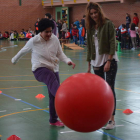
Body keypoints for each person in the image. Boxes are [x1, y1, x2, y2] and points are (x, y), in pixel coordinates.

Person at [11, 18, 75, 127]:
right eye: (46, 32)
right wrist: (14, 60)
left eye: (51, 31)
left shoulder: (54, 39)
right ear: (41, 31)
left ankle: (53, 120)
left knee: (52, 96)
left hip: (54, 68)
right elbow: (23, 51)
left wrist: (68, 60)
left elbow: (60, 54)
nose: (49, 34)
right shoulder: (34, 41)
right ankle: (64, 100)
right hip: (39, 69)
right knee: (51, 79)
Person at [86, 2, 119, 130]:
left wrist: (109, 61)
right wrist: (89, 65)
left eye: (96, 13)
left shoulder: (108, 24)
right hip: (96, 62)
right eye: (92, 14)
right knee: (101, 91)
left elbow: (113, 42)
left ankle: (112, 119)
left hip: (109, 60)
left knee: (110, 89)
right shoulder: (90, 27)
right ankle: (104, 117)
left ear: (99, 12)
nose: (94, 15)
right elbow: (89, 46)